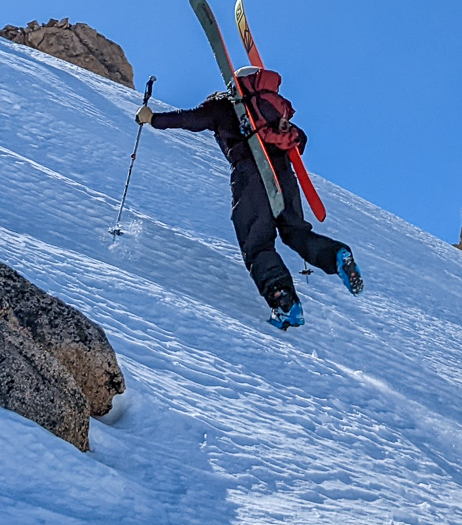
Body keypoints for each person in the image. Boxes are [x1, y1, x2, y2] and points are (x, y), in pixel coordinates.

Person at [137, 66, 362, 329]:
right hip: (283, 175)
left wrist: (151, 118)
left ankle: (285, 303)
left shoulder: (222, 106)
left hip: (250, 173)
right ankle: (336, 255)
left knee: (256, 243)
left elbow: (189, 119)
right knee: (294, 231)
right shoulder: (272, 112)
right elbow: (301, 140)